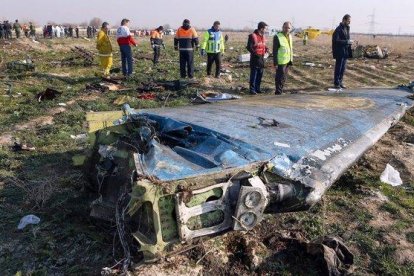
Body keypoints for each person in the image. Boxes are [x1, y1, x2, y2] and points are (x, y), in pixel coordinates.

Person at [246, 22, 268, 94]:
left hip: (261, 58)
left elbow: (263, 45)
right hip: (255, 58)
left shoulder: (263, 36)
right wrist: (255, 54)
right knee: (254, 75)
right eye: (265, 28)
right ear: (261, 28)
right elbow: (249, 47)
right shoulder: (253, 36)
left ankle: (257, 88)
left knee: (260, 74)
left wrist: (266, 49)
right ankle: (252, 90)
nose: (266, 30)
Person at [332, 14, 353, 89]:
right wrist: (347, 42)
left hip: (345, 52)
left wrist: (349, 43)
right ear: (344, 20)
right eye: (348, 21)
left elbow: (346, 39)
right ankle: (336, 83)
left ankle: (340, 82)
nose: (349, 22)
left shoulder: (347, 28)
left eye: (350, 21)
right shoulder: (338, 29)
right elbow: (336, 41)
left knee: (343, 68)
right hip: (339, 51)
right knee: (338, 67)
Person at [273, 22, 293, 95]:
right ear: (282, 27)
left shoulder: (290, 36)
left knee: (284, 78)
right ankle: (278, 92)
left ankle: (280, 91)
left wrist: (291, 59)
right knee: (279, 78)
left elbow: (290, 48)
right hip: (280, 61)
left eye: (289, 28)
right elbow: (274, 51)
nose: (287, 29)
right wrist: (275, 63)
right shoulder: (277, 36)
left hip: (287, 60)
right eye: (285, 27)